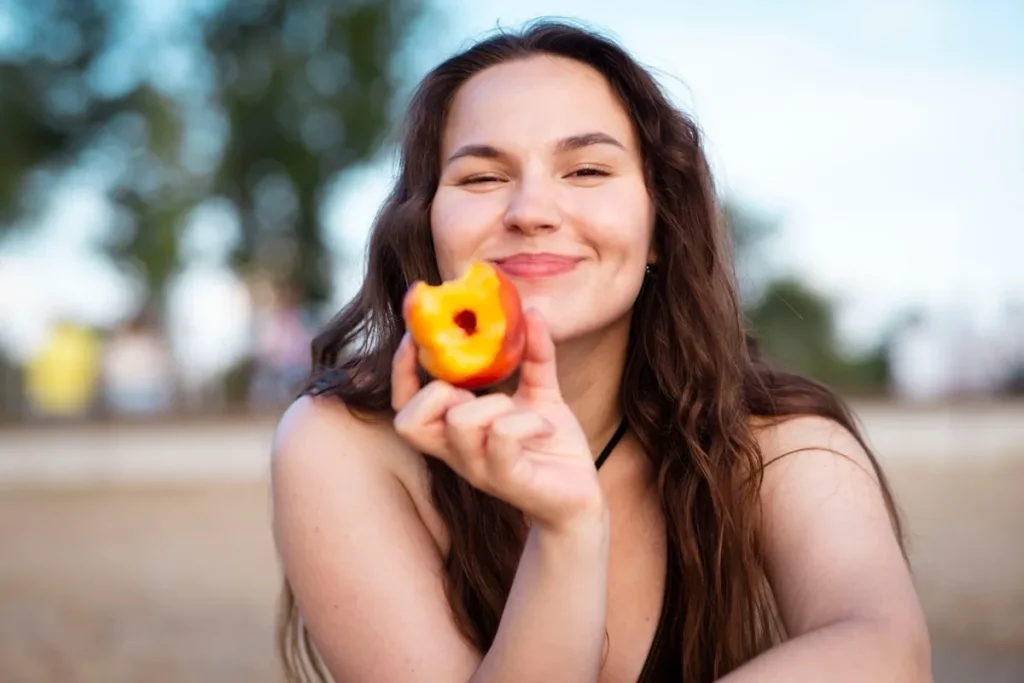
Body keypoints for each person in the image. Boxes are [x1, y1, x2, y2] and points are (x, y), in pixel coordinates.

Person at [270, 20, 931, 683]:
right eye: (481, 177)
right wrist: (567, 532)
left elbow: (886, 649)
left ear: (657, 228)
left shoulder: (778, 439)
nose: (530, 209)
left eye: (586, 169)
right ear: (427, 226)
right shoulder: (340, 441)